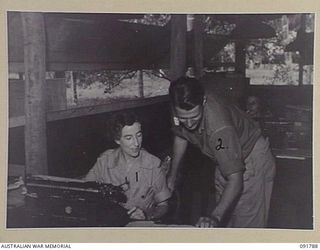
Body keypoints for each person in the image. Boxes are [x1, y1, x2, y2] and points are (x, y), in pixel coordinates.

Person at [167, 77, 276, 228]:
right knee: (226, 223)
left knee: (245, 231)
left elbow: (235, 179)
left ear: (203, 102)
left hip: (251, 158)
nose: (189, 124)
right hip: (224, 156)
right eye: (183, 118)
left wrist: (214, 217)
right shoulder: (178, 109)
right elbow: (181, 136)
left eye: (194, 117)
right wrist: (171, 178)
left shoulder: (219, 129)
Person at [84, 112, 171, 221]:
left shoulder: (153, 164)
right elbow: (85, 190)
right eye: (128, 138)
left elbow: (163, 205)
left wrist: (148, 216)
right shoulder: (105, 161)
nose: (136, 143)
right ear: (117, 140)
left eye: (139, 135)